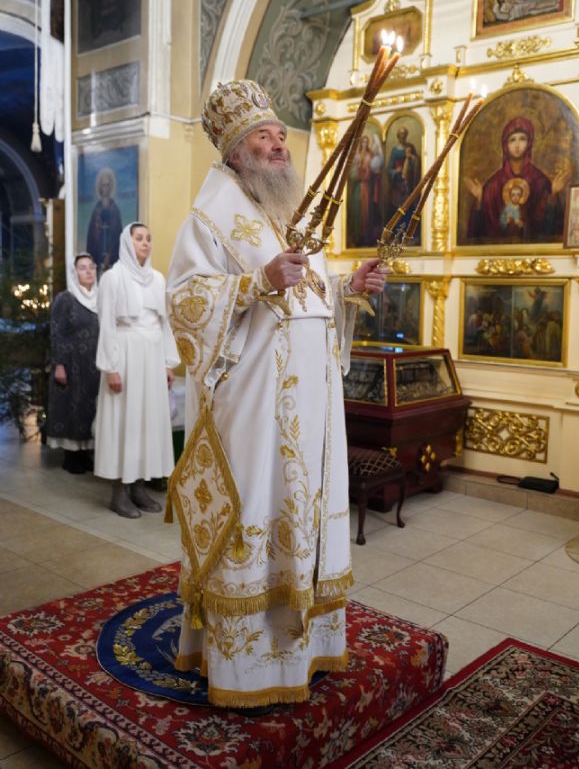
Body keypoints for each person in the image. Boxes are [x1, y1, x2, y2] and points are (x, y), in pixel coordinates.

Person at [166, 79, 388, 710]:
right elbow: (184, 302)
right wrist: (254, 282)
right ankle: (245, 669)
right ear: (236, 150)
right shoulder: (210, 216)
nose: (278, 145)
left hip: (313, 409)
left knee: (304, 515)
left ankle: (306, 649)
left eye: (279, 135)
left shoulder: (291, 211)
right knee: (258, 514)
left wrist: (346, 288)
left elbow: (308, 297)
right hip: (254, 409)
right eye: (262, 136)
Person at [94, 223, 179, 518]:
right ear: (126, 243)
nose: (145, 243)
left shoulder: (157, 279)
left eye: (148, 239)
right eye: (139, 238)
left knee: (146, 423)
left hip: (152, 357)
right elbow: (106, 324)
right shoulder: (112, 278)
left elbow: (165, 324)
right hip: (125, 356)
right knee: (124, 422)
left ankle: (139, 488)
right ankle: (119, 492)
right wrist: (110, 368)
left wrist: (167, 362)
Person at [465, 116, 569, 244]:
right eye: (512, 140)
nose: (517, 145)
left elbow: (550, 228)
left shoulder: (539, 181)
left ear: (529, 143)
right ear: (505, 145)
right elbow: (479, 232)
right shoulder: (494, 183)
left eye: (522, 139)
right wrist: (479, 199)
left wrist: (553, 194)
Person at [46, 254, 100, 474]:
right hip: (71, 363)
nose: (88, 271)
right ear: (74, 273)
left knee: (89, 408)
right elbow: (56, 332)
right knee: (72, 407)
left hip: (94, 365)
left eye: (91, 267)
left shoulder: (101, 299)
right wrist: (59, 364)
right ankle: (71, 457)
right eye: (82, 268)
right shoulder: (65, 299)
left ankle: (85, 454)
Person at [86, 167, 123, 273]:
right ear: (100, 187)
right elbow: (91, 237)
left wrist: (110, 254)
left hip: (112, 255)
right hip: (98, 252)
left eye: (107, 185)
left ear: (111, 187)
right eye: (103, 185)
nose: (105, 188)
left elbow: (118, 236)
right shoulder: (96, 210)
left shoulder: (115, 210)